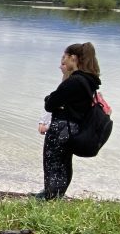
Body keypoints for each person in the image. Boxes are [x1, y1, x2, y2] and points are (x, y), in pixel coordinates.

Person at [40, 42, 102, 200]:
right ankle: (56, 194)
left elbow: (50, 104)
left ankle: (50, 196)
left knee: (52, 162)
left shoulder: (74, 81)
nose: (64, 61)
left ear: (73, 58)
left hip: (62, 127)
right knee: (64, 163)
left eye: (65, 57)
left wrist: (50, 97)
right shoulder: (90, 80)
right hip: (75, 128)